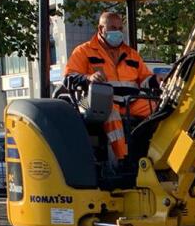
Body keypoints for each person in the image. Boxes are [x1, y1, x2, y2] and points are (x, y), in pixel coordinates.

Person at [65, 10, 157, 163]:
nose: (118, 32)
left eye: (120, 29)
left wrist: (157, 81)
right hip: (92, 102)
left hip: (129, 101)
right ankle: (123, 160)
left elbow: (145, 78)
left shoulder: (131, 54)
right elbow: (69, 78)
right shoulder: (83, 51)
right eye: (113, 28)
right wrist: (89, 78)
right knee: (111, 114)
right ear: (101, 29)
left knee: (159, 110)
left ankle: (154, 156)